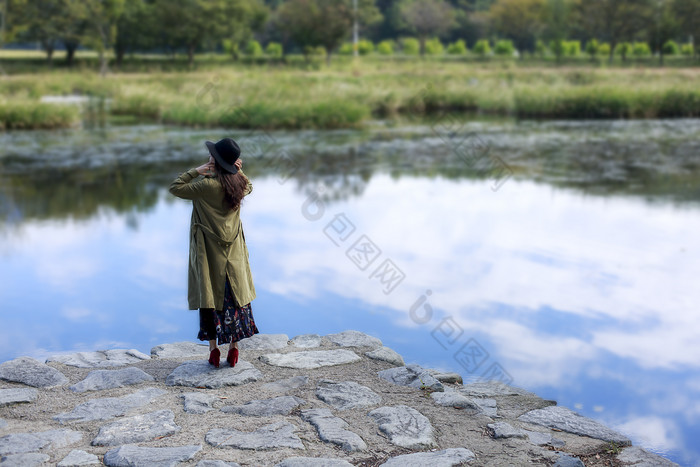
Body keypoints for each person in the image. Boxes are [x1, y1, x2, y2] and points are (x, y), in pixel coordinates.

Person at [169, 137, 258, 368]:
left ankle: (213, 350)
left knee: (210, 297)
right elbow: (250, 185)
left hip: (210, 256)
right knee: (235, 298)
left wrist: (195, 171)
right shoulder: (238, 185)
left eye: (212, 155)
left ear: (215, 160)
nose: (209, 157)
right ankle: (234, 350)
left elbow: (175, 188)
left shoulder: (206, 186)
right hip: (234, 255)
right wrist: (240, 172)